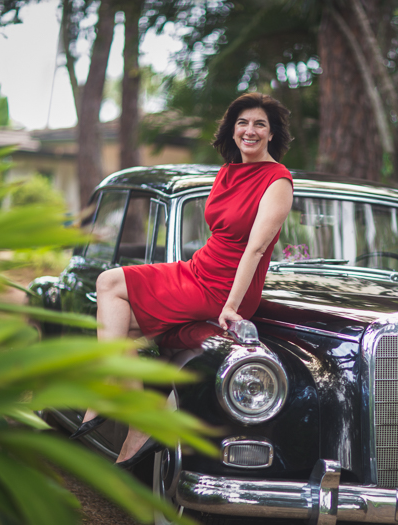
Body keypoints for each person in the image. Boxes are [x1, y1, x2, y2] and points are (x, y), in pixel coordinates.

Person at [70, 93, 295, 468]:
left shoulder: (278, 181)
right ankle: (141, 421)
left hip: (225, 286)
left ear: (272, 134)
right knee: (120, 325)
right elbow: (220, 233)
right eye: (242, 123)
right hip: (199, 268)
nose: (250, 130)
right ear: (232, 129)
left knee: (110, 283)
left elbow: (256, 249)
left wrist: (231, 307)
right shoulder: (227, 171)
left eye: (260, 124)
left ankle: (112, 388)